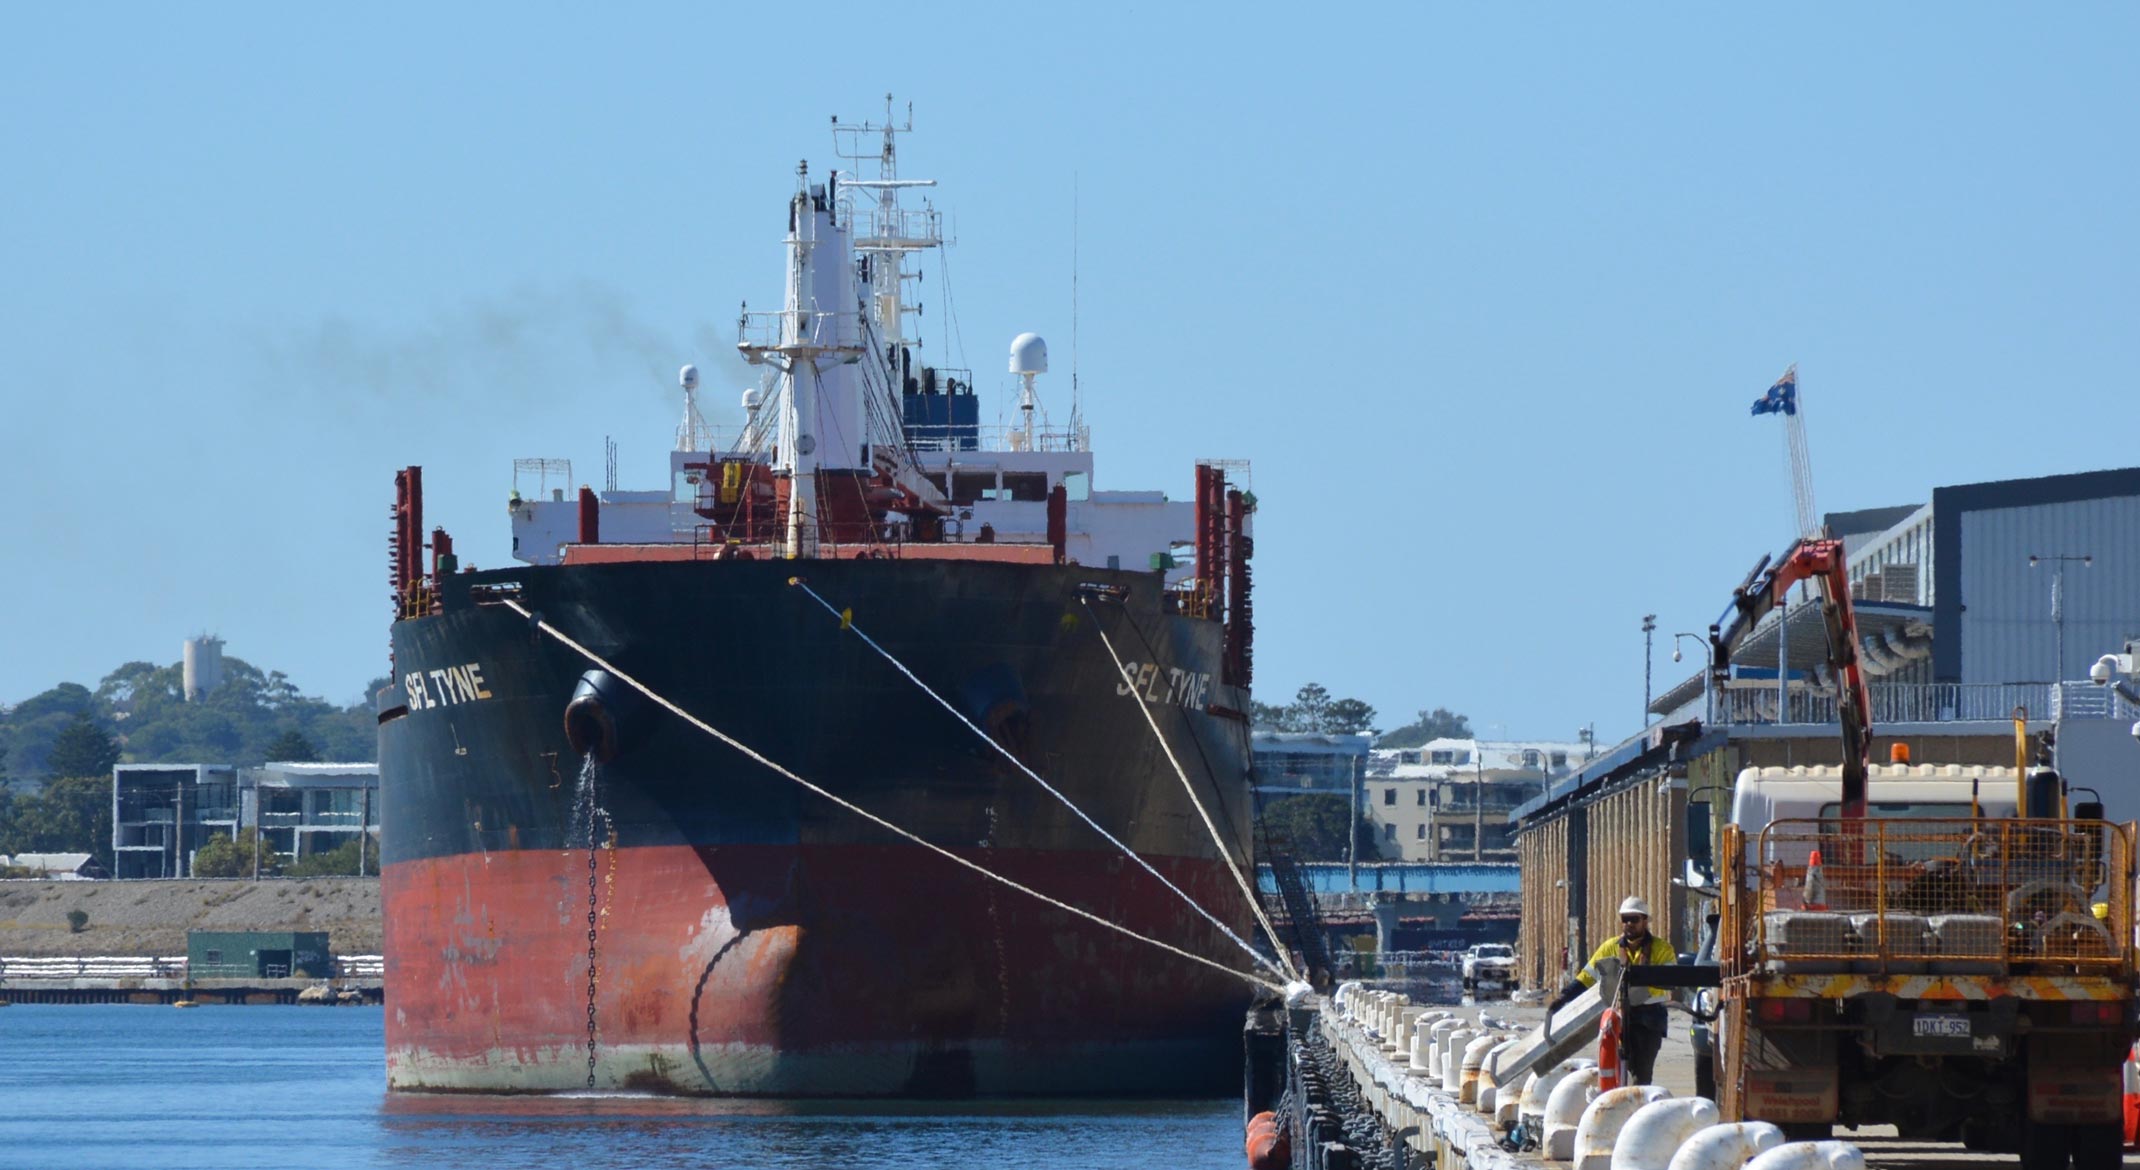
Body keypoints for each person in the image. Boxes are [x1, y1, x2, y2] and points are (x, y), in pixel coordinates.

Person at [1546, 895, 1679, 1086]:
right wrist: (1563, 998)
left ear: (1645, 921)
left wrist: (1645, 978)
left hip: (1649, 1019)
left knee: (1641, 1075)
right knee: (1615, 1069)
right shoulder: (1610, 947)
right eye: (1625, 919)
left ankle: (1636, 1106)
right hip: (1620, 1016)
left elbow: (1671, 979)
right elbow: (1587, 977)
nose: (1629, 924)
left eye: (1634, 919)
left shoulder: (1662, 949)